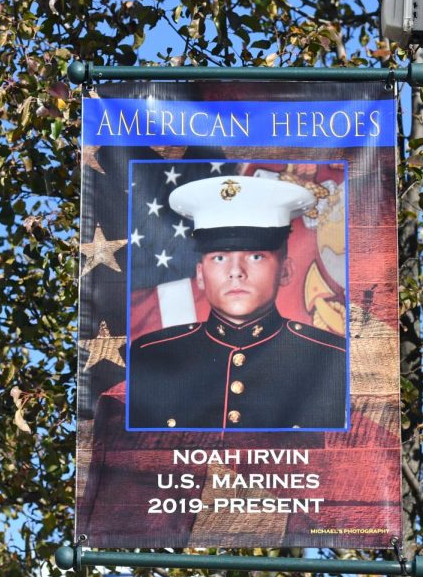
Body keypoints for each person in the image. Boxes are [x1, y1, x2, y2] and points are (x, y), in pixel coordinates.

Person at [127, 175, 348, 430]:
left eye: (255, 256)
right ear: (200, 275)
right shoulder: (152, 355)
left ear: (285, 271)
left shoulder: (332, 358)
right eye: (219, 258)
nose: (236, 272)